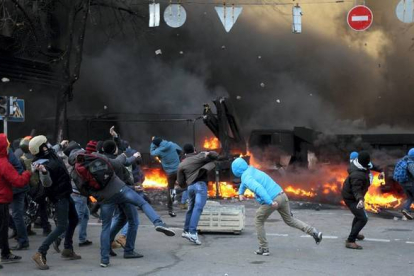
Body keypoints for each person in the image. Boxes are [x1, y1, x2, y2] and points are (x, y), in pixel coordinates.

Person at [231, 157, 323, 256]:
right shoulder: (251, 170)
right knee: (290, 220)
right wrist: (240, 193)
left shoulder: (246, 177)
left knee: (258, 219)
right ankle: (314, 232)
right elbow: (244, 183)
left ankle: (264, 248)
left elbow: (259, 188)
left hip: (272, 199)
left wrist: (270, 202)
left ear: (236, 171)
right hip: (282, 195)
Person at [29, 136, 81, 270]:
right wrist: (44, 172)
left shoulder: (49, 154)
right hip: (59, 197)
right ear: (42, 148)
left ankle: (68, 249)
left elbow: (53, 149)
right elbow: (47, 183)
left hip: (65, 193)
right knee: (62, 226)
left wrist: (61, 144)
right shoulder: (43, 164)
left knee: (74, 219)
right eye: (45, 144)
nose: (48, 145)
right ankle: (40, 252)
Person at [0, 133, 31, 267]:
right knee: (2, 229)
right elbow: (18, 181)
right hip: (2, 200)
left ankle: (6, 253)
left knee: (3, 229)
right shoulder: (4, 164)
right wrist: (28, 173)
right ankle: (5, 254)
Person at [177, 144, 218, 245]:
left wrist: (186, 185)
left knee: (191, 208)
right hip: (200, 186)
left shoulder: (181, 164)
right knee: (198, 208)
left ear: (185, 153)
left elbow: (180, 181)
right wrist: (208, 153)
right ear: (194, 150)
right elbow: (215, 155)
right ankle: (192, 232)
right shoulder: (200, 156)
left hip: (190, 187)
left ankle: (186, 231)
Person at [342, 151, 372, 249]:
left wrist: (381, 170)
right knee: (363, 218)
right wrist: (360, 199)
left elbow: (372, 166)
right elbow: (356, 190)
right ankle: (350, 240)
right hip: (351, 198)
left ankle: (355, 232)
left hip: (353, 196)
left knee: (358, 215)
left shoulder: (361, 166)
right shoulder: (357, 174)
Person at [150, 136, 182, 217]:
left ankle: (170, 209)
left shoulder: (159, 151)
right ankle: (179, 193)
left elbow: (152, 153)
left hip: (170, 173)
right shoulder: (171, 144)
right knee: (187, 185)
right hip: (179, 170)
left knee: (170, 190)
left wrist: (152, 143)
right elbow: (180, 150)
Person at [396, 148, 414, 220]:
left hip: (403, 183)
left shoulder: (404, 160)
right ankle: (406, 210)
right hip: (409, 183)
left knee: (410, 197)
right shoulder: (411, 163)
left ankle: (406, 210)